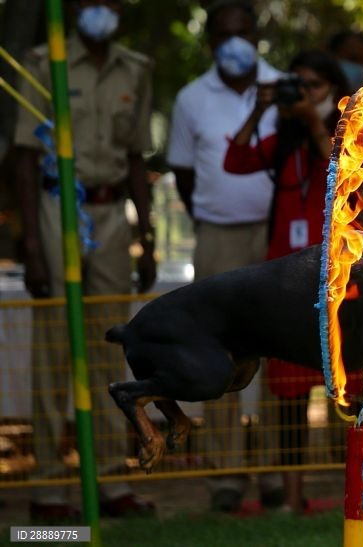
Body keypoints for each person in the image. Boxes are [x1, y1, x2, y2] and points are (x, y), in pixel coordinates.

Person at [224, 49, 363, 513]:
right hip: (285, 282)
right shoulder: (282, 142)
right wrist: (262, 109)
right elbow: (234, 160)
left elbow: (344, 174)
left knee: (357, 387)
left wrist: (317, 121)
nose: (304, 95)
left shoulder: (351, 137)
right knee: (289, 398)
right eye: (296, 85)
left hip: (339, 276)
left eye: (313, 86)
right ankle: (292, 500)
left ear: (333, 91)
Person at [13, 0, 156, 520]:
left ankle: (108, 484)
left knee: (108, 350)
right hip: (58, 211)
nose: (102, 9)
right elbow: (24, 159)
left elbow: (138, 157)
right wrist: (31, 245)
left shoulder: (135, 69)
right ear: (73, 8)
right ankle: (49, 493)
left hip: (113, 213)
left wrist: (149, 234)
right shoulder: (42, 61)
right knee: (55, 350)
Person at [165, 0, 283, 513]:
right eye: (223, 35)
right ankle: (226, 478)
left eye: (242, 32)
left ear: (255, 36)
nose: (233, 42)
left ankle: (281, 469)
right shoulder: (192, 98)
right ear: (211, 42)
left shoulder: (285, 85)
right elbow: (184, 174)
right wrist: (212, 212)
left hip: (277, 238)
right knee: (220, 353)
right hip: (217, 236)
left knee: (281, 347)